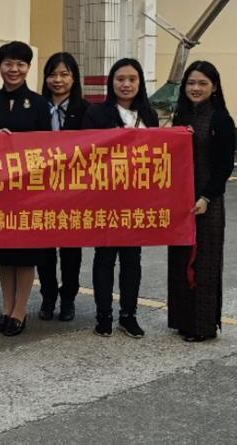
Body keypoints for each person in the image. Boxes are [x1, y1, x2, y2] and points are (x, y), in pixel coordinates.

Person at [0, 41, 53, 337]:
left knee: (25, 253)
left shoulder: (39, 104)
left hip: (28, 191)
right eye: (8, 63)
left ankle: (20, 311)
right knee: (3, 252)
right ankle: (6, 308)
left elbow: (48, 148)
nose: (14, 69)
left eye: (21, 64)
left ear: (28, 68)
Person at [81, 57, 159, 339]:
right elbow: (85, 152)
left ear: (140, 83)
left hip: (137, 199)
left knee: (132, 259)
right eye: (120, 79)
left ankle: (129, 315)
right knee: (104, 257)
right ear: (111, 82)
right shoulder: (96, 113)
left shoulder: (150, 116)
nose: (126, 84)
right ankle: (103, 315)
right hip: (105, 198)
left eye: (132, 79)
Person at [168, 60, 235, 342]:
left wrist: (207, 196)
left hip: (208, 201)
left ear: (214, 87)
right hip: (181, 201)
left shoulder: (221, 120)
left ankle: (203, 327)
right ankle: (182, 321)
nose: (196, 88)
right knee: (180, 260)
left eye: (202, 83)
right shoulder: (181, 117)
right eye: (191, 83)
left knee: (205, 263)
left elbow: (225, 166)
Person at [36, 51, 89, 322]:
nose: (58, 80)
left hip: (73, 192)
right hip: (41, 192)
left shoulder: (87, 110)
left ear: (74, 78)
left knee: (70, 251)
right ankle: (48, 297)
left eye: (64, 74)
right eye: (52, 74)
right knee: (44, 250)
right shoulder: (35, 107)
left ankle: (68, 298)